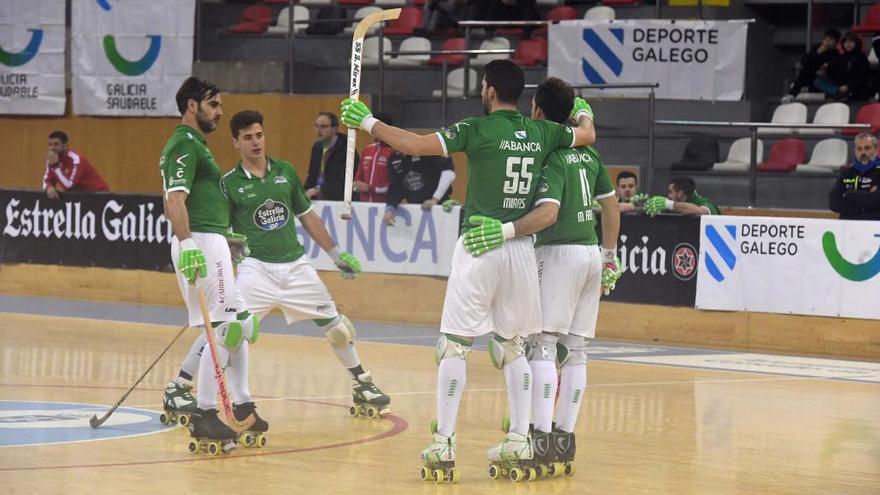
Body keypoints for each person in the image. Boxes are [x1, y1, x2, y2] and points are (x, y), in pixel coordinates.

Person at [341, 59, 597, 482]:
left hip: (480, 243)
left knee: (455, 345)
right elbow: (586, 133)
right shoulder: (543, 133)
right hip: (519, 246)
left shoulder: (475, 129)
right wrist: (583, 108)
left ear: (490, 90)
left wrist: (368, 121)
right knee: (514, 346)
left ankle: (444, 443)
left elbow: (415, 145)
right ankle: (518, 439)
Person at [223, 109, 391, 417]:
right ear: (236, 142)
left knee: (338, 329)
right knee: (235, 330)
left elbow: (308, 217)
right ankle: (211, 391)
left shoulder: (285, 171)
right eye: (247, 138)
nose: (256, 142)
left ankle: (362, 384)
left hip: (296, 266)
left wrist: (336, 255)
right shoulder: (229, 183)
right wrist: (229, 244)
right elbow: (220, 229)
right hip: (256, 269)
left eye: (259, 135)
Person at [159, 76, 262, 452]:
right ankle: (204, 413)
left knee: (241, 324)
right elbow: (175, 198)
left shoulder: (196, 145)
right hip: (199, 242)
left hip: (211, 239)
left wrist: (227, 238)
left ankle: (241, 403)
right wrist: (188, 243)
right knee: (225, 329)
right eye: (213, 104)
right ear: (192, 105)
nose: (220, 112)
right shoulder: (183, 144)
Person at [525, 77, 621, 476]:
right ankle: (565, 438)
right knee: (576, 349)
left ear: (539, 112)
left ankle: (540, 435)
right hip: (591, 252)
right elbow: (612, 208)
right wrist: (610, 257)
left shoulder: (553, 153)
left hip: (559, 250)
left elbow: (546, 211)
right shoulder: (591, 154)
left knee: (544, 344)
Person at [383, 152, 456, 226]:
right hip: (417, 211)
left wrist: (435, 199)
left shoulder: (434, 149)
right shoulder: (395, 158)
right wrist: (390, 208)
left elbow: (448, 173)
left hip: (439, 208)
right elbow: (395, 186)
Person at [304, 112, 357, 201]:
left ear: (334, 129)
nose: (319, 130)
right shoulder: (317, 147)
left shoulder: (346, 149)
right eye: (316, 126)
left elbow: (346, 182)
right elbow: (312, 175)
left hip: (338, 199)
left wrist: (320, 190)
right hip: (317, 198)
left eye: (323, 126)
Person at [42, 131, 108, 199]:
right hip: (78, 197)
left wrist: (55, 166)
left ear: (65, 145)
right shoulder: (52, 159)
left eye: (56, 144)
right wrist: (49, 187)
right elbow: (47, 180)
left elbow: (68, 185)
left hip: (97, 195)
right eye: (50, 144)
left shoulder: (76, 159)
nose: (52, 148)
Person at [829, 132, 880, 220]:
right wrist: (863, 207)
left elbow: (875, 201)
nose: (863, 152)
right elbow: (834, 202)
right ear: (855, 151)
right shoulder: (847, 172)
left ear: (875, 149)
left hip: (874, 225)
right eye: (859, 149)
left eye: (867, 148)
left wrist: (849, 194)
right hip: (848, 224)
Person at [785, 28, 841, 100]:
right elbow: (804, 62)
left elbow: (835, 68)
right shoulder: (817, 49)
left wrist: (826, 68)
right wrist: (817, 53)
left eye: (830, 40)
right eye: (825, 39)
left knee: (817, 80)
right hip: (814, 79)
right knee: (806, 69)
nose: (827, 42)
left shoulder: (836, 54)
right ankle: (792, 93)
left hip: (827, 80)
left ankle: (835, 93)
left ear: (836, 42)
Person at [815, 31, 872, 101]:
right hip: (841, 86)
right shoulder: (842, 56)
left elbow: (863, 78)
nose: (847, 44)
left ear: (856, 43)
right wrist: (826, 69)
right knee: (818, 81)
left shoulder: (861, 57)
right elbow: (836, 73)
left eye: (850, 42)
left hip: (854, 87)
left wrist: (848, 87)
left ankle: (840, 94)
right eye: (845, 42)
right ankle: (839, 94)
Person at [354, 112, 395, 203]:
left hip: (385, 205)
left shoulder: (394, 152)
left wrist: (371, 188)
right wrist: (356, 185)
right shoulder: (367, 150)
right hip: (364, 205)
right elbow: (358, 178)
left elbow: (396, 185)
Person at [644, 177, 720, 217]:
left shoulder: (706, 203)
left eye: (670, 192)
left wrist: (668, 204)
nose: (668, 196)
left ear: (680, 193)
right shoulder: (677, 205)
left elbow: (700, 211)